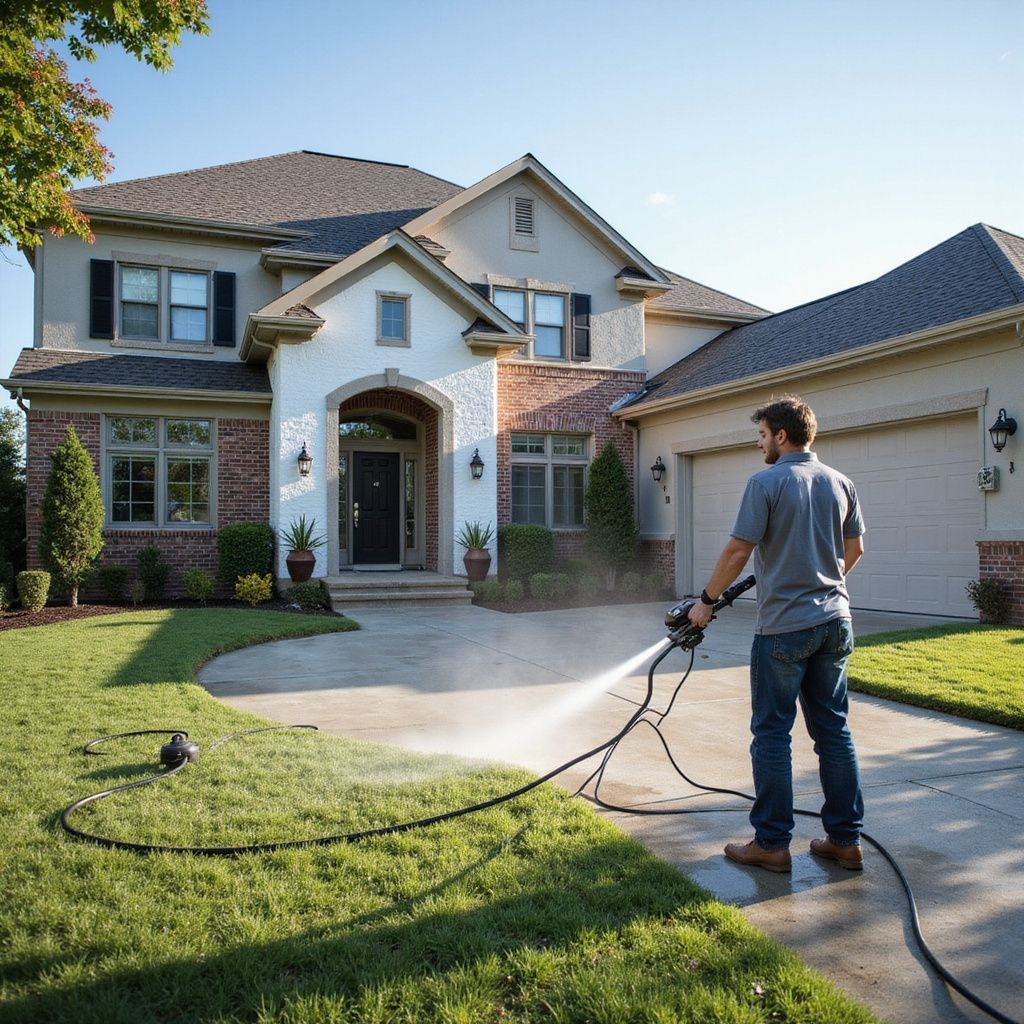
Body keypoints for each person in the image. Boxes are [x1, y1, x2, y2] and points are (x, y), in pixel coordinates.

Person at [687, 395, 866, 873]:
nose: (759, 443)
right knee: (834, 731)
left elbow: (737, 551)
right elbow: (856, 551)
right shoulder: (841, 482)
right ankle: (845, 840)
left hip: (784, 629)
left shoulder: (766, 481)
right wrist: (822, 582)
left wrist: (705, 602)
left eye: (762, 435)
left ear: (781, 435)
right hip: (836, 622)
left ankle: (771, 844)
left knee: (771, 734)